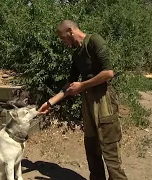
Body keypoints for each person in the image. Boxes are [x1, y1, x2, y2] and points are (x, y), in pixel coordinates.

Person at [37, 20, 128, 180]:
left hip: (103, 99)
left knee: (109, 149)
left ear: (70, 31)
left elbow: (108, 73)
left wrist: (82, 86)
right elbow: (69, 85)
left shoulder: (94, 41)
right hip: (88, 102)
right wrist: (50, 102)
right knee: (92, 148)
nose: (64, 43)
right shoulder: (76, 53)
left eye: (63, 38)